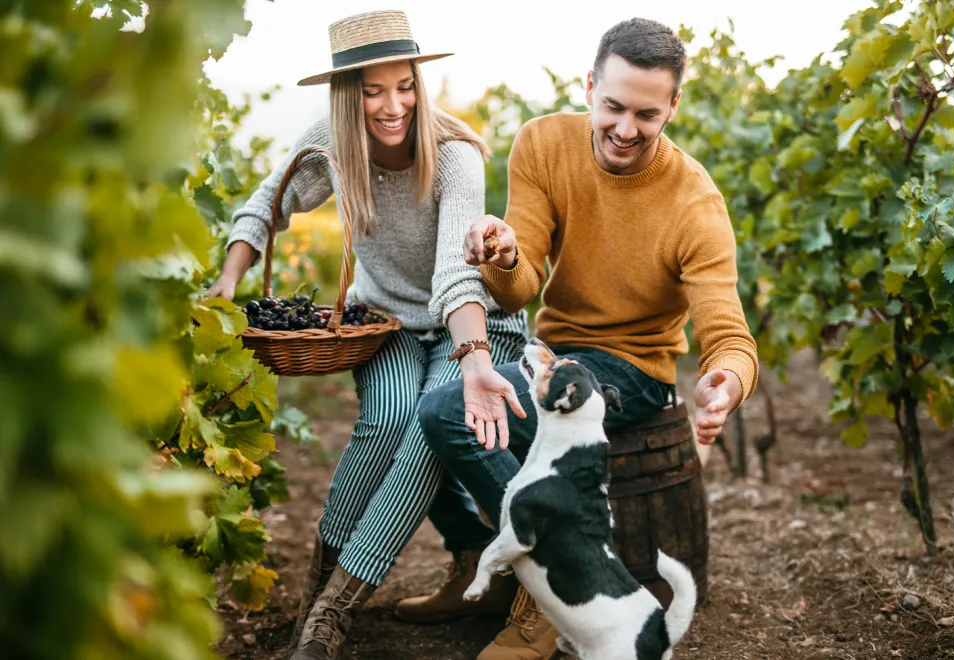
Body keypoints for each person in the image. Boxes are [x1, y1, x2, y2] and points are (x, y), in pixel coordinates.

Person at [406, 17, 760, 659]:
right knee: (422, 408)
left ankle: (544, 592)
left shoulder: (694, 204)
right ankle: (488, 568)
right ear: (591, 85)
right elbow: (519, 288)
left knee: (446, 412)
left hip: (632, 370)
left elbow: (728, 333)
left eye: (647, 115)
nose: (626, 129)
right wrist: (507, 255)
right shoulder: (543, 143)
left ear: (673, 105)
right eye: (614, 107)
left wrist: (726, 380)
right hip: (557, 351)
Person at [207, 10, 528, 660]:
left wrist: (470, 357)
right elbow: (268, 203)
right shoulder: (333, 141)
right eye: (373, 90)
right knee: (383, 420)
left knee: (424, 430)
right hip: (385, 325)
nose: (392, 105)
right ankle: (323, 588)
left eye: (404, 85)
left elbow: (454, 276)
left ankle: (331, 614)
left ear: (419, 82)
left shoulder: (454, 157)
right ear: (348, 93)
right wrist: (226, 282)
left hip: (470, 326)